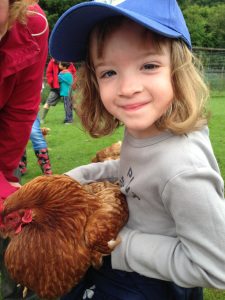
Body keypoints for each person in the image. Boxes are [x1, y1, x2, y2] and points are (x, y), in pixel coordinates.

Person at [50, 0, 225, 299]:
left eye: (149, 66)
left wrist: (122, 246)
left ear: (178, 69)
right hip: (129, 266)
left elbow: (216, 268)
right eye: (109, 72)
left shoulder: (184, 169)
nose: (128, 87)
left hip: (154, 283)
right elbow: (133, 171)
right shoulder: (144, 131)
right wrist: (74, 179)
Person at [0, 0, 48, 298]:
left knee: (14, 216)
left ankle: (20, 289)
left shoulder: (32, 23)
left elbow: (20, 110)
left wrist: (5, 174)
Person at [41, 58, 76, 123]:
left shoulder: (68, 61)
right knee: (48, 102)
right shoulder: (52, 61)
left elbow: (73, 72)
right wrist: (51, 81)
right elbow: (49, 72)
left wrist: (73, 83)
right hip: (55, 87)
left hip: (66, 88)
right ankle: (42, 119)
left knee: (73, 104)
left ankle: (81, 119)